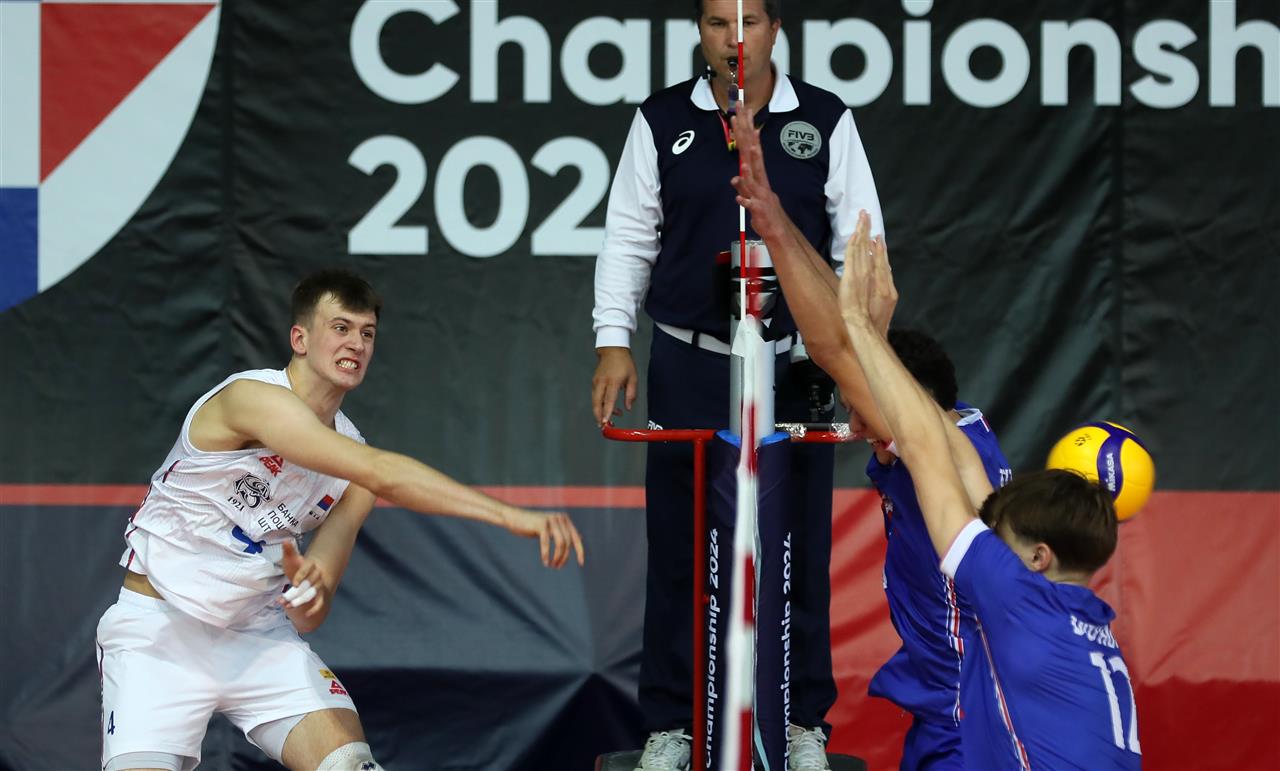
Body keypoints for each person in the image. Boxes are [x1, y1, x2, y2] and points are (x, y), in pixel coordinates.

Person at [96, 269, 585, 771]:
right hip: (160, 631)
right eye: (341, 327)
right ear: (300, 339)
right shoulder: (250, 399)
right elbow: (381, 472)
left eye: (367, 333)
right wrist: (509, 516)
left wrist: (310, 592)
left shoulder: (352, 472)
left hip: (257, 636)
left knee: (350, 764)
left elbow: (315, 608)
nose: (357, 343)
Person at [590, 1, 883, 768]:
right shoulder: (662, 120)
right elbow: (628, 235)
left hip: (795, 361)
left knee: (799, 544)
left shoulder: (823, 120)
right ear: (700, 32)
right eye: (719, 23)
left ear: (777, 29)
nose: (735, 38)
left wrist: (850, 356)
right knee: (679, 546)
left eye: (750, 21)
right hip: (691, 358)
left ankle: (802, 723)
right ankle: (671, 723)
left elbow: (859, 244)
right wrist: (613, 341)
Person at [729, 105, 1014, 769]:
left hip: (965, 718)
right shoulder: (962, 425)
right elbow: (849, 342)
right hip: (956, 706)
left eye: (868, 407)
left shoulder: (928, 446)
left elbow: (834, 348)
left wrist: (771, 227)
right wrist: (777, 216)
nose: (856, 424)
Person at [832, 215, 1143, 769]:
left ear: (1038, 558)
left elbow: (926, 449)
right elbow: (956, 453)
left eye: (997, 539)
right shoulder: (1087, 623)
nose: (984, 535)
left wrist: (856, 322)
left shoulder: (1018, 601)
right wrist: (877, 343)